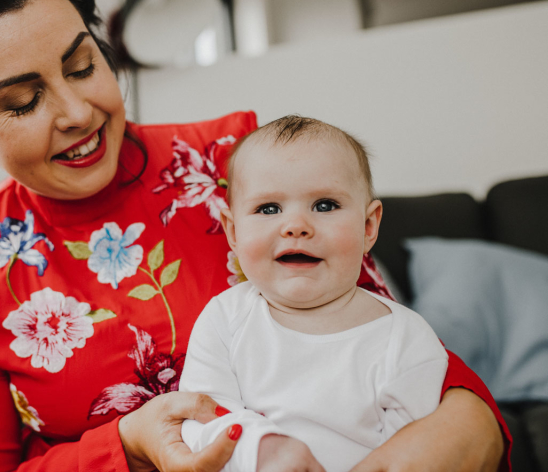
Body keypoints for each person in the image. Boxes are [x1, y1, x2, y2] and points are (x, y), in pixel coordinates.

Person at [0, 0, 509, 471]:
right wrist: (124, 445)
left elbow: (379, 338)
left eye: (82, 65)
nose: (77, 112)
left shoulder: (235, 163)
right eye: (23, 101)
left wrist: (469, 418)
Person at [179, 116, 449, 472]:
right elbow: (201, 415)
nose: (295, 227)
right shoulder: (224, 320)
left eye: (324, 205)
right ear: (233, 231)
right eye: (268, 209)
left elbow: (422, 447)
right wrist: (263, 448)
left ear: (369, 227)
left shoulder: (406, 338)